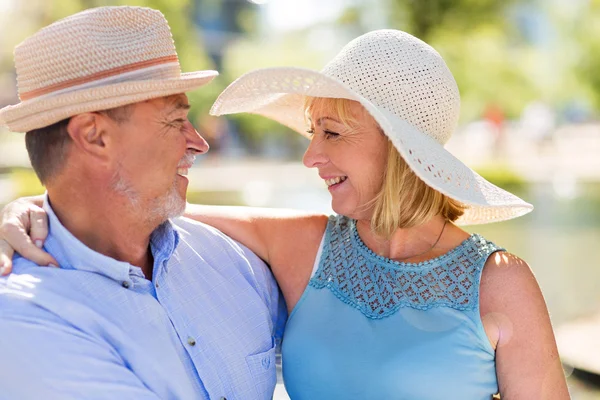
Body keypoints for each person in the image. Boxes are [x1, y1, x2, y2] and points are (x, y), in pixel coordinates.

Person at [0, 30, 569, 399]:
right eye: (311, 131)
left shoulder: (501, 282)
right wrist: (33, 208)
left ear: (400, 148)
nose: (310, 155)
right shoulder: (302, 249)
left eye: (332, 132)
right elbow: (137, 208)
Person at [0, 6, 285, 400]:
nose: (199, 143)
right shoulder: (22, 318)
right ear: (94, 136)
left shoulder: (231, 261)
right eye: (175, 121)